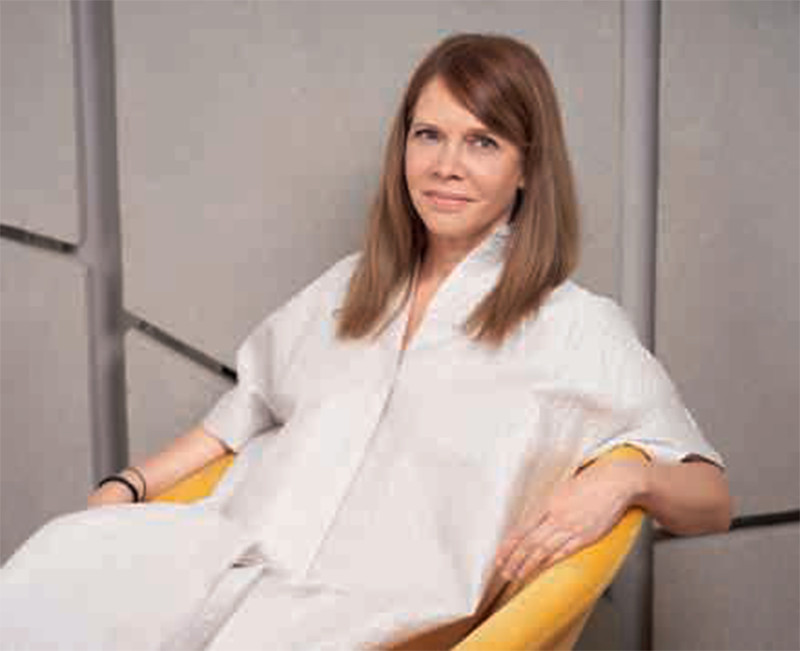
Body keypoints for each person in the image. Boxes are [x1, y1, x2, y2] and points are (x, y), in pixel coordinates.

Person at [0, 33, 731, 650]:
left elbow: (712, 499)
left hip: (348, 625)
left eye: (483, 141)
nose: (446, 165)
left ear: (527, 169)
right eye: (428, 134)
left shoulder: (575, 328)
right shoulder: (350, 287)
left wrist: (628, 479)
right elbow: (244, 410)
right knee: (49, 575)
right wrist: (129, 486)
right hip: (219, 562)